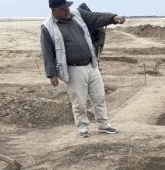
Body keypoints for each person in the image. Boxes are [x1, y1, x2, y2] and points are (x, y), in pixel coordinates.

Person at [40, 0, 125, 138]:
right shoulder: (47, 27)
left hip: (91, 64)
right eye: (63, 9)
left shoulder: (77, 14)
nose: (67, 10)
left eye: (68, 7)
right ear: (54, 10)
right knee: (79, 101)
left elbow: (95, 17)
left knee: (99, 97)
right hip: (73, 69)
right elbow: (47, 52)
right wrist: (52, 74)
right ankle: (83, 128)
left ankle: (104, 125)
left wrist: (112, 18)